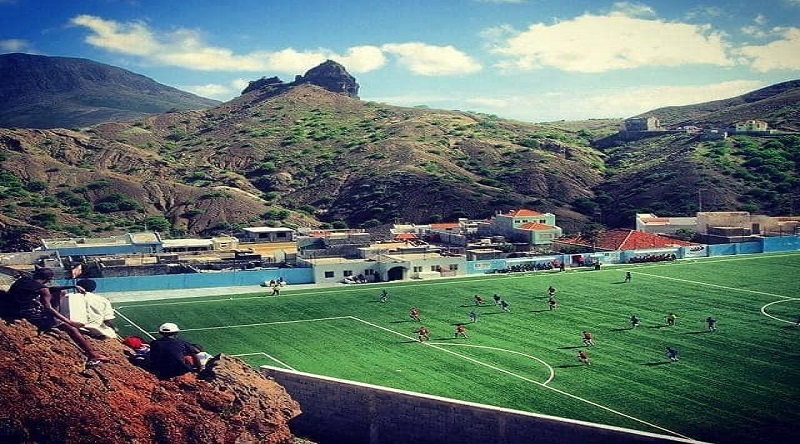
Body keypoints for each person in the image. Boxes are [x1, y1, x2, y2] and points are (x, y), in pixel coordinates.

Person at [7, 267, 110, 366]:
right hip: (28, 314)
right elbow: (48, 308)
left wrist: (73, 286)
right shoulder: (44, 290)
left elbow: (50, 289)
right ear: (49, 279)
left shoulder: (24, 280)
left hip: (11, 308)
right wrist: (69, 322)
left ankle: (56, 320)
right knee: (72, 329)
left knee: (59, 291)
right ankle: (93, 355)